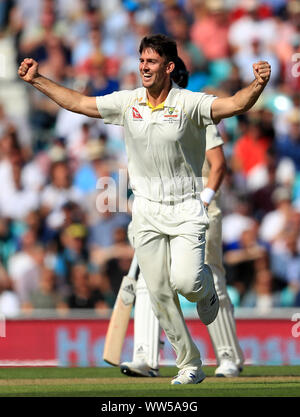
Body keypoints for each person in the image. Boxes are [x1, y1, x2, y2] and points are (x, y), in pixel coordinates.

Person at [18, 33, 271, 385]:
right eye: (141, 61)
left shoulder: (189, 103)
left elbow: (234, 105)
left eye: (151, 62)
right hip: (147, 211)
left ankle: (206, 294)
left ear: (169, 67)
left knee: (186, 282)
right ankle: (189, 364)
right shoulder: (128, 102)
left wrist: (257, 84)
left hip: (186, 206)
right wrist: (37, 81)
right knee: (159, 293)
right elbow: (79, 103)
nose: (143, 67)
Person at [120, 58, 244, 379]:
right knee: (153, 282)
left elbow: (218, 165)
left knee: (205, 280)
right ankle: (147, 355)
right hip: (156, 211)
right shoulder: (147, 114)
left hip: (198, 208)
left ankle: (228, 357)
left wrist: (204, 199)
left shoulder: (198, 112)